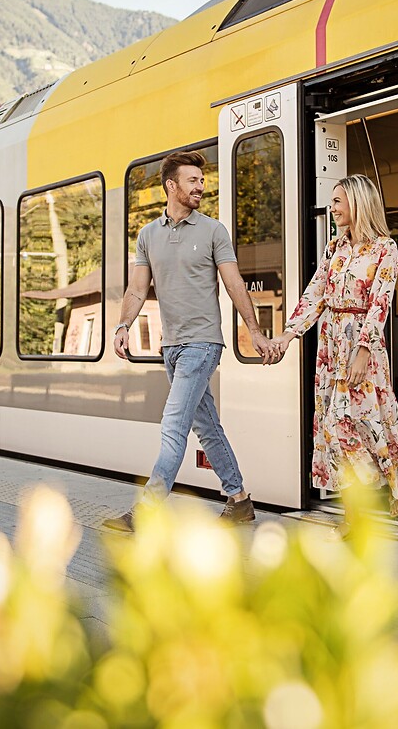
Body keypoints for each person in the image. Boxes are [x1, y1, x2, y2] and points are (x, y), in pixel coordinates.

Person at [103, 150, 279, 532]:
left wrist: (254, 330)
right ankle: (239, 500)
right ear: (172, 186)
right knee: (206, 426)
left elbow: (234, 283)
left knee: (174, 422)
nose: (201, 186)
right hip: (172, 347)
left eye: (202, 180)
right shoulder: (148, 235)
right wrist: (122, 326)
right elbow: (137, 289)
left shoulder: (213, 230)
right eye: (193, 181)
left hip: (202, 344)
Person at [273, 174, 398, 531]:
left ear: (357, 204)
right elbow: (316, 294)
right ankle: (356, 510)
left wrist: (363, 350)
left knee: (356, 423)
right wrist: (288, 335)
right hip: (331, 344)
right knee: (339, 426)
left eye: (337, 202)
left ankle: (392, 479)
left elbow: (380, 304)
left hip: (363, 345)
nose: (332, 208)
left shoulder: (384, 248)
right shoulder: (334, 248)